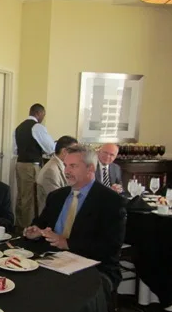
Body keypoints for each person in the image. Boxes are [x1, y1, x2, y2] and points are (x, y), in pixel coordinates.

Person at [23, 145, 126, 294]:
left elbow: (110, 247)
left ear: (90, 168)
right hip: (51, 259)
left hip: (94, 266)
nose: (66, 171)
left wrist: (67, 243)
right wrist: (35, 232)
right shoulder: (57, 196)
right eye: (65, 165)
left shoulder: (111, 201)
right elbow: (41, 224)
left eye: (73, 166)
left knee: (62, 291)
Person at [14, 103, 55, 230]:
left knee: (21, 196)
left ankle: (18, 225)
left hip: (19, 164)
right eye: (43, 115)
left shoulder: (18, 128)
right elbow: (50, 148)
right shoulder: (37, 127)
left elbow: (15, 149)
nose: (43, 118)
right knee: (30, 199)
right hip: (31, 166)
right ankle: (28, 228)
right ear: (38, 113)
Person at [36, 135, 78, 213]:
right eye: (74, 152)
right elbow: (58, 200)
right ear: (64, 151)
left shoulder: (63, 165)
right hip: (54, 214)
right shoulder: (50, 171)